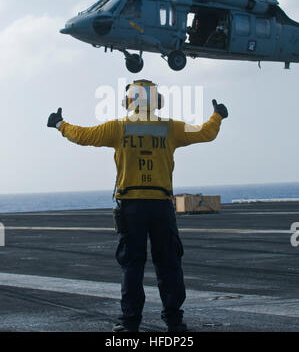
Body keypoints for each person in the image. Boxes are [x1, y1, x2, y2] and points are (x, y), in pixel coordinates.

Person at [47, 79, 228, 332]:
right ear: (157, 101)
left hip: (130, 208)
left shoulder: (118, 128)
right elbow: (206, 132)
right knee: (169, 264)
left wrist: (59, 124)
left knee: (132, 265)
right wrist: (218, 115)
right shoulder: (170, 128)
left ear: (129, 102)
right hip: (162, 207)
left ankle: (130, 323)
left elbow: (83, 136)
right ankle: (174, 322)